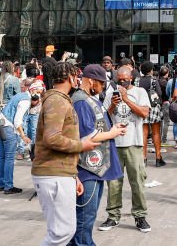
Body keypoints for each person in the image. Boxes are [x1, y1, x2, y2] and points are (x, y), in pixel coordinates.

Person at [31, 63, 94, 246]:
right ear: (69, 77)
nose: (79, 79)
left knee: (62, 231)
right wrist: (81, 145)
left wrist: (73, 175)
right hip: (53, 174)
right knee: (61, 233)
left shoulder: (60, 99)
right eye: (77, 75)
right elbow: (52, 138)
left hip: (60, 173)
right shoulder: (57, 101)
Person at [71, 64, 127, 246]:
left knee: (89, 214)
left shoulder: (90, 99)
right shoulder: (80, 101)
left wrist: (113, 129)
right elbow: (87, 134)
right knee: (84, 218)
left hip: (97, 166)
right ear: (91, 80)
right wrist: (112, 133)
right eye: (101, 83)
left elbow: (98, 125)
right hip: (87, 168)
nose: (103, 86)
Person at [98, 66, 151, 233]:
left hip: (134, 143)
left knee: (137, 182)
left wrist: (127, 99)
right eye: (118, 80)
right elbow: (103, 119)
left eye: (125, 79)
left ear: (131, 78)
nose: (121, 82)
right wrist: (112, 106)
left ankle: (140, 216)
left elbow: (144, 113)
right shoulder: (109, 94)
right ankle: (113, 216)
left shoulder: (140, 92)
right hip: (114, 143)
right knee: (113, 183)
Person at [137, 62, 165, 167]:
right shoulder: (153, 80)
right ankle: (158, 158)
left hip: (141, 107)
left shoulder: (137, 80)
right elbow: (159, 93)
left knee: (143, 133)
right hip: (153, 108)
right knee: (156, 133)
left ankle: (144, 158)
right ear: (150, 70)